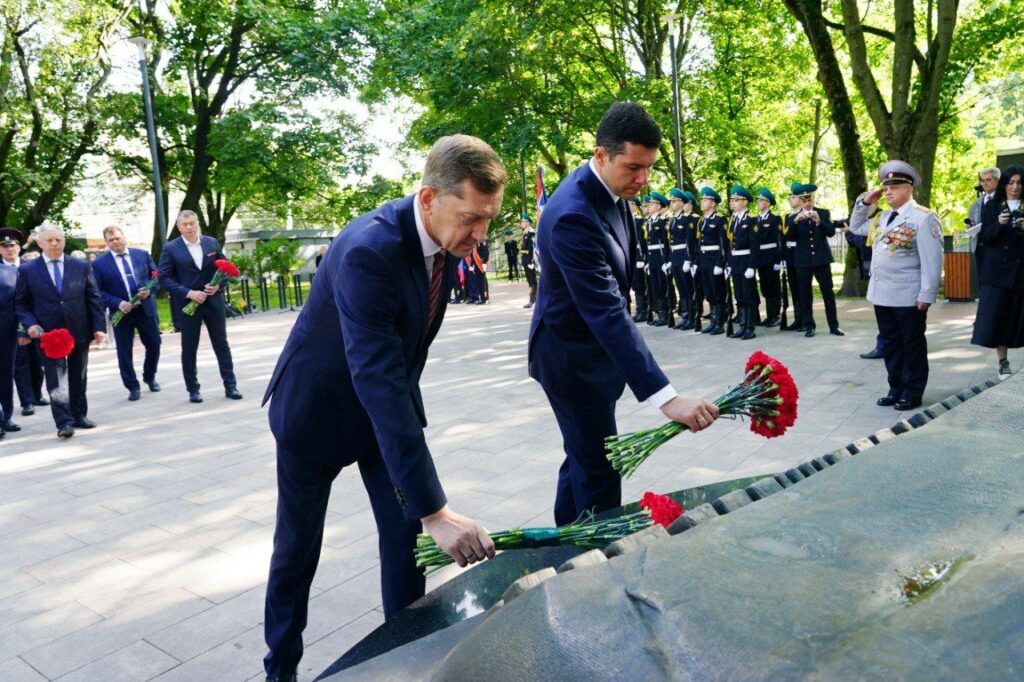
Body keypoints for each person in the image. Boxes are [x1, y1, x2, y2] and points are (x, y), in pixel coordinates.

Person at [261, 135, 505, 681]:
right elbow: (378, 378)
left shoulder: (444, 243)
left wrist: (423, 509)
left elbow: (403, 363)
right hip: (316, 414)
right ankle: (281, 668)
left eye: (487, 219)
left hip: (383, 413)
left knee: (405, 541)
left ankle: (406, 657)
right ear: (427, 199)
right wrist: (438, 511)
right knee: (298, 550)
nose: (480, 235)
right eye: (470, 218)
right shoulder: (370, 250)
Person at [528, 102, 719, 528]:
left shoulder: (611, 193)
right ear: (601, 154)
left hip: (592, 356)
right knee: (599, 473)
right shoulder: (574, 214)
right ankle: (595, 572)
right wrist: (666, 398)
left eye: (649, 168)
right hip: (571, 361)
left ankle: (563, 552)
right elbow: (607, 310)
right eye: (633, 167)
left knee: (582, 459)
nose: (643, 179)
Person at [849, 160, 943, 411]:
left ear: (908, 189)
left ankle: (912, 392)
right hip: (882, 294)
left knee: (911, 345)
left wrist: (927, 293)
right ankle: (896, 388)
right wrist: (864, 203)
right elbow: (857, 226)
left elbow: (932, 260)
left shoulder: (924, 218)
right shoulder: (883, 217)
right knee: (890, 344)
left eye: (894, 186)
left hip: (908, 295)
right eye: (886, 186)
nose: (888, 191)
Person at [15, 224, 105, 438]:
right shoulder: (28, 270)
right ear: (40, 243)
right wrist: (30, 325)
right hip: (48, 334)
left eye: (58, 239)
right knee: (56, 379)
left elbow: (93, 298)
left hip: (78, 330)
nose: (55, 243)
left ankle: (79, 415)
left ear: (64, 241)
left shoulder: (80, 266)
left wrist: (98, 327)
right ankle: (64, 422)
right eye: (50, 240)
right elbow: (21, 304)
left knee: (78, 375)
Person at [158, 210, 241, 403]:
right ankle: (193, 389)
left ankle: (231, 386)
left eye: (192, 223)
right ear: (178, 226)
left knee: (221, 344)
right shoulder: (170, 248)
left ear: (197, 223)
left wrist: (219, 285)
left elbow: (225, 269)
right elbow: (164, 278)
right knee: (189, 347)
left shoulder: (211, 243)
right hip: (187, 304)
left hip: (213, 302)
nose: (188, 227)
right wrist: (188, 292)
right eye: (184, 224)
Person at [92, 226, 162, 401]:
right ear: (106, 243)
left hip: (145, 309)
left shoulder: (142, 255)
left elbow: (156, 278)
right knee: (124, 351)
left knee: (154, 344)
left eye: (117, 238)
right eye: (111, 240)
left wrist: (149, 290)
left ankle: (149, 376)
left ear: (124, 237)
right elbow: (97, 291)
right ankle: (132, 386)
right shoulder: (99, 264)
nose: (115, 242)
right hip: (121, 313)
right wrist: (118, 302)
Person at [972, 165, 1024, 380]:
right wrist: (999, 225)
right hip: (997, 271)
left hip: (1021, 270)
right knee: (999, 317)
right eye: (1011, 182)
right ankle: (1003, 362)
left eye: (1020, 182)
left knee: (1019, 317)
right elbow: (984, 237)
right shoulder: (992, 205)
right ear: (1004, 184)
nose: (1015, 186)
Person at [792, 183, 844, 337]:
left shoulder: (823, 212)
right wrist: (796, 221)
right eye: (805, 199)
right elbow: (788, 237)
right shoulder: (792, 217)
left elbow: (830, 233)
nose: (808, 202)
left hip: (821, 260)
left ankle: (834, 326)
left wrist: (819, 222)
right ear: (801, 200)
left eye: (810, 199)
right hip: (803, 261)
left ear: (813, 198)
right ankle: (809, 326)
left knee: (828, 293)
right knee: (805, 295)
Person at [727, 186, 759, 340]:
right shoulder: (732, 220)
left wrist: (752, 266)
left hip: (746, 261)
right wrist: (728, 263)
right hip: (735, 261)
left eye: (736, 200)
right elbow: (729, 244)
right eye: (732, 200)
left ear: (745, 202)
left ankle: (750, 327)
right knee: (739, 295)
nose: (733, 203)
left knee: (748, 295)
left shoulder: (751, 220)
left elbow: (755, 245)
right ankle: (742, 325)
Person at [696, 187, 728, 335]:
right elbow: (698, 243)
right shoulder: (702, 221)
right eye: (702, 200)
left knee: (718, 291)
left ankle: (720, 321)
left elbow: (723, 244)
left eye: (705, 200)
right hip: (704, 260)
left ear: (713, 204)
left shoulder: (720, 219)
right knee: (708, 291)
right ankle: (713, 320)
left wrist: (720, 263)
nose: (702, 203)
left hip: (715, 259)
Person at [0, 228, 23, 434]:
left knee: (7, 375)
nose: (10, 249)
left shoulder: (31, 268)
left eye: (13, 245)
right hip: (3, 331)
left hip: (27, 328)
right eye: (5, 246)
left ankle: (6, 416)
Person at [668, 189, 698, 330]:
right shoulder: (673, 220)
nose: (671, 204)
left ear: (681, 203)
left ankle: (692, 317)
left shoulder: (687, 219)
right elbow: (671, 242)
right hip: (675, 257)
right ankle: (685, 315)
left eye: (674, 202)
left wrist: (688, 260)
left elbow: (689, 242)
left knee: (688, 289)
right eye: (671, 202)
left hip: (683, 257)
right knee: (681, 289)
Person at [754, 188, 783, 327]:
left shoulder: (775, 219)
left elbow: (779, 240)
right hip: (761, 258)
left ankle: (776, 315)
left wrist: (778, 259)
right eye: (758, 200)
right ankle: (769, 315)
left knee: (774, 287)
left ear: (768, 203)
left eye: (761, 200)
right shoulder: (756, 219)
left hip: (771, 257)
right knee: (765, 287)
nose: (758, 203)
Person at [645, 192, 672, 326]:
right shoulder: (649, 222)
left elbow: (667, 243)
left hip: (661, 257)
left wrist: (667, 261)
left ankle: (666, 314)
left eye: (652, 204)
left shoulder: (663, 222)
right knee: (655, 286)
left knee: (662, 286)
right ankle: (660, 312)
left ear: (659, 206)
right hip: (652, 258)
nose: (649, 206)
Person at [967, 167, 999, 276]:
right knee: (982, 284)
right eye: (983, 180)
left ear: (997, 180)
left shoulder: (1004, 201)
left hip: (998, 249)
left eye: (988, 180)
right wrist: (971, 227)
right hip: (980, 249)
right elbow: (972, 225)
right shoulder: (975, 204)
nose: (984, 183)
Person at [781, 183, 804, 331]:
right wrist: (783, 258)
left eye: (793, 197)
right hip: (790, 256)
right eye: (790, 197)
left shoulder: (805, 213)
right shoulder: (787, 216)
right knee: (794, 289)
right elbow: (783, 238)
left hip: (801, 254)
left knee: (802, 289)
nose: (790, 199)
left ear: (802, 199)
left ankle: (804, 320)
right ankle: (797, 319)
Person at [520, 213, 537, 308]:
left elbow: (531, 248)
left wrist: (530, 261)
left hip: (529, 259)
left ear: (528, 222)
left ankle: (533, 300)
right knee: (529, 280)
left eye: (523, 221)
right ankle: (533, 299)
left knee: (532, 280)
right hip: (525, 259)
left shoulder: (531, 233)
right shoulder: (525, 233)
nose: (521, 223)